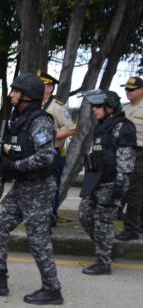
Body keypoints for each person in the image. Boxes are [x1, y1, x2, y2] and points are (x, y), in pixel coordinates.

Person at [0, 73, 63, 305]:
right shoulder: (17, 119)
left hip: (39, 188)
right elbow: (16, 148)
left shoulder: (39, 121)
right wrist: (1, 157)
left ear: (27, 96)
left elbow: (46, 156)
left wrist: (15, 165)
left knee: (38, 239)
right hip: (22, 186)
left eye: (15, 91)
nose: (11, 95)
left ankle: (52, 289)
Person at [78, 90, 136, 275]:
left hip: (112, 182)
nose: (94, 109)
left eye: (97, 106)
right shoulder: (102, 126)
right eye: (93, 106)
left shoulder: (123, 127)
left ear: (110, 107)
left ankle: (104, 262)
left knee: (103, 221)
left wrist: (120, 185)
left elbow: (126, 160)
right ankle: (108, 250)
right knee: (85, 216)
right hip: (96, 180)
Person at [38, 71, 76, 227]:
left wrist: (49, 137)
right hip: (37, 155)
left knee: (51, 188)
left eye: (42, 85)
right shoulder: (34, 104)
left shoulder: (58, 107)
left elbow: (71, 129)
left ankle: (50, 218)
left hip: (54, 155)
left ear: (50, 88)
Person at [116, 76, 143, 241]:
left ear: (141, 90)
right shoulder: (125, 109)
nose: (128, 92)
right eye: (126, 89)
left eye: (131, 90)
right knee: (132, 190)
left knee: (133, 192)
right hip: (127, 153)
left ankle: (131, 229)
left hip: (141, 153)